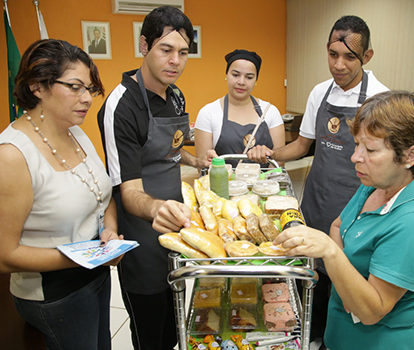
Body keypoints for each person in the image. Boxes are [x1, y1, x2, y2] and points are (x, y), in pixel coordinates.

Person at [275, 91, 414, 350]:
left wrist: (330, 253)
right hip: (338, 333)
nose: (355, 157)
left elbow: (371, 311)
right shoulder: (379, 182)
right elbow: (339, 224)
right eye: (357, 144)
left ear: (410, 156)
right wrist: (347, 285)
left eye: (370, 149)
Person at [248, 15, 388, 343]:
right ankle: (304, 333)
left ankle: (329, 338)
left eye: (349, 57)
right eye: (332, 54)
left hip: (355, 206)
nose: (338, 65)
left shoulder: (380, 100)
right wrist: (268, 152)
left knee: (343, 277)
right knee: (308, 273)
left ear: (366, 57)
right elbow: (301, 145)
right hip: (316, 199)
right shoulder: (319, 93)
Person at [0, 39, 122, 350]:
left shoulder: (75, 131)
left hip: (93, 275)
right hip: (53, 293)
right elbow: (5, 255)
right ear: (37, 86)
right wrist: (85, 258)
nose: (87, 99)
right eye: (75, 87)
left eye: (89, 89)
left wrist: (109, 231)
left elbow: (102, 193)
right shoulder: (13, 156)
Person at [98, 6, 206, 350]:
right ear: (144, 45)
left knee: (174, 325)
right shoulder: (123, 105)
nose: (175, 61)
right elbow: (127, 191)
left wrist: (194, 158)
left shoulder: (174, 95)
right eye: (166, 49)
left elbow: (167, 150)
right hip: (142, 237)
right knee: (150, 333)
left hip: (176, 227)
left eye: (183, 52)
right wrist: (163, 208)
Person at [194, 49, 285, 167]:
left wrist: (264, 184)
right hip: (222, 184)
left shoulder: (270, 111)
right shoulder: (208, 113)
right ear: (226, 75)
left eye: (249, 77)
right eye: (235, 75)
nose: (241, 82)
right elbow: (203, 166)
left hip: (265, 183)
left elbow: (279, 163)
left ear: (256, 81)